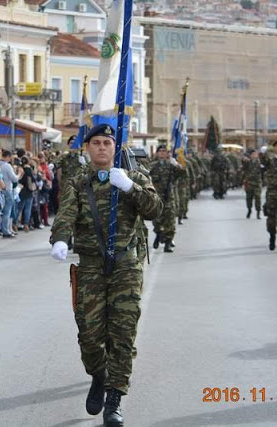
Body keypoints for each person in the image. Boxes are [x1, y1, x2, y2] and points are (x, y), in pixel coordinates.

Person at [50, 124, 162, 427]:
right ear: (88, 148)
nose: (101, 147)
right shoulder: (78, 181)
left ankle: (114, 398)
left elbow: (155, 210)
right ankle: (98, 375)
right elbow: (66, 214)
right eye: (96, 143)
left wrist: (129, 188)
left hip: (126, 266)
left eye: (107, 143)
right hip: (90, 267)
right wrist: (59, 238)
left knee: (122, 335)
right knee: (89, 335)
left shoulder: (134, 177)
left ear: (116, 147)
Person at [149, 144, 186, 252]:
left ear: (167, 153)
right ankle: (158, 234)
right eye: (160, 150)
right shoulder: (152, 166)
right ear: (157, 153)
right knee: (157, 220)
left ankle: (168, 243)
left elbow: (183, 173)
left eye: (164, 151)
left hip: (170, 197)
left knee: (170, 221)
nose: (162, 152)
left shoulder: (171, 166)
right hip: (157, 198)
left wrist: (177, 164)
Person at [242, 149, 262, 219]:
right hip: (249, 182)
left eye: (255, 154)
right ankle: (249, 210)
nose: (254, 156)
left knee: (258, 198)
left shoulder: (260, 162)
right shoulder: (247, 162)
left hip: (257, 183)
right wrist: (244, 159)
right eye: (253, 154)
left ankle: (258, 212)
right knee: (249, 198)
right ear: (250, 155)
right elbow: (243, 167)